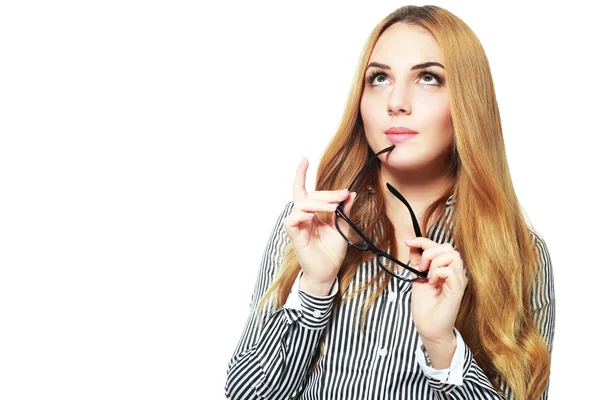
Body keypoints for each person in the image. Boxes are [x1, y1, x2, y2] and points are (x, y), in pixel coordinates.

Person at [224, 5, 554, 400]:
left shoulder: (519, 253)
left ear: (468, 102)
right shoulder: (312, 225)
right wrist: (315, 285)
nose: (396, 102)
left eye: (428, 78)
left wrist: (443, 348)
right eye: (379, 78)